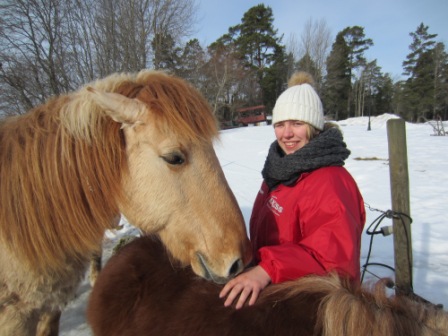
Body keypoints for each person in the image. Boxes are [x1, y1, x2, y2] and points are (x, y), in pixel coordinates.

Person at [219, 72, 366, 309]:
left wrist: (267, 269)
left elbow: (336, 264)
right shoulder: (279, 171)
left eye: (297, 123)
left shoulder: (330, 182)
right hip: (281, 295)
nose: (287, 134)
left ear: (314, 126)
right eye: (280, 124)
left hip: (313, 308)